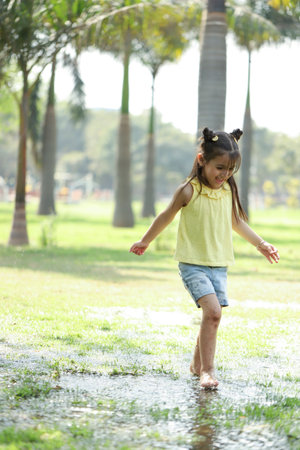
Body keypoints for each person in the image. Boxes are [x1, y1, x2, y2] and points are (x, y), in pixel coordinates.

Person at [130, 127, 279, 389]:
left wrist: (261, 244)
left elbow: (236, 222)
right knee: (213, 312)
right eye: (220, 167)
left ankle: (197, 365)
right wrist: (146, 240)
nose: (225, 174)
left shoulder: (226, 191)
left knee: (212, 316)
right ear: (202, 160)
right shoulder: (189, 190)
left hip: (219, 265)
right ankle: (207, 372)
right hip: (192, 264)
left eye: (231, 169)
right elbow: (165, 216)